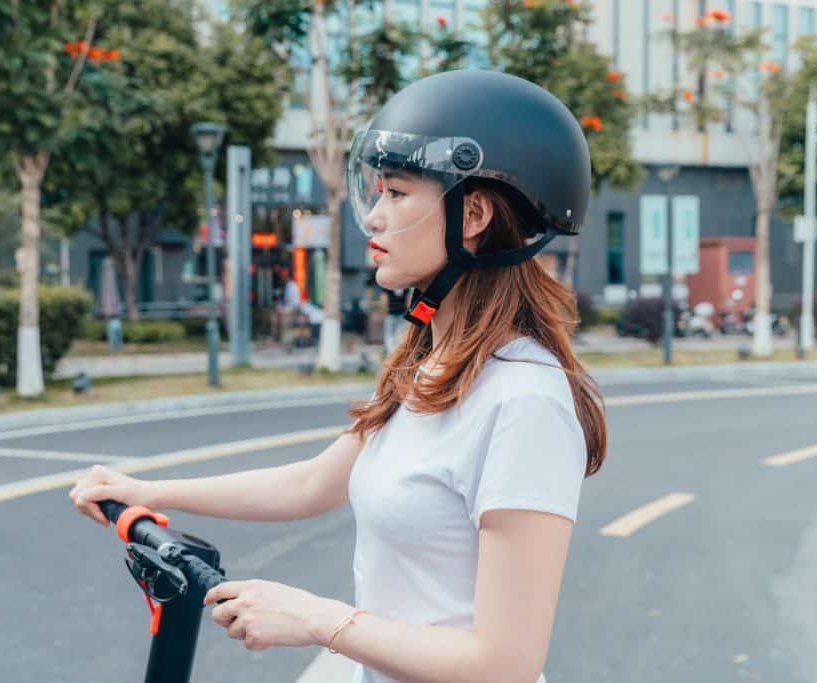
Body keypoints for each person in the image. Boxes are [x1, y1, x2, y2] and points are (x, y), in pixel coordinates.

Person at [70, 69, 606, 683]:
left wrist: (320, 621)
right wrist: (150, 492)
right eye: (377, 193)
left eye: (398, 194)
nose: (374, 219)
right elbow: (310, 484)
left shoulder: (523, 400)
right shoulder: (430, 360)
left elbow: (504, 664)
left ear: (474, 213)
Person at [381, 287, 408, 354]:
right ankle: (396, 352)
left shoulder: (388, 286)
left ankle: (392, 352)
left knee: (389, 334)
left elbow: (384, 299)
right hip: (400, 312)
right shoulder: (405, 287)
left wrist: (384, 310)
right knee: (399, 334)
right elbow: (407, 301)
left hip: (392, 313)